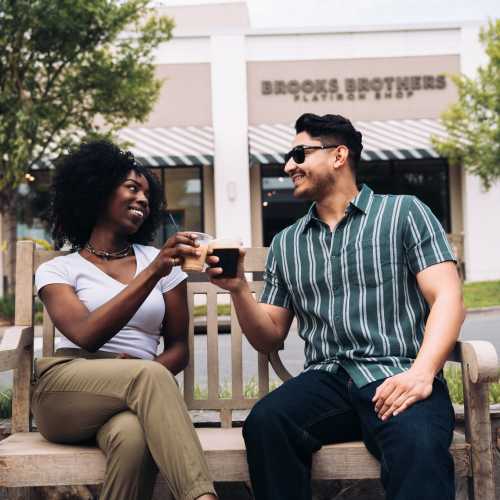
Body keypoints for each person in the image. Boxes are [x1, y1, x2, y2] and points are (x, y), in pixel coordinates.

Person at [206, 113, 465, 500]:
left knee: (417, 445)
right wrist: (239, 288)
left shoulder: (403, 213)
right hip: (327, 383)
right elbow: (269, 336)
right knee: (267, 422)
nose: (288, 165)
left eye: (299, 153)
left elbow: (447, 297)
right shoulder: (287, 243)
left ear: (339, 155)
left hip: (398, 375)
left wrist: (422, 373)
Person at [33, 140, 217, 500]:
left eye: (148, 195)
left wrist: (138, 374)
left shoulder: (162, 264)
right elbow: (86, 335)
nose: (144, 200)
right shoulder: (59, 269)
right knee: (148, 374)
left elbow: (179, 348)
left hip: (135, 390)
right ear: (98, 191)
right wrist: (153, 271)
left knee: (133, 438)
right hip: (66, 389)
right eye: (133, 188)